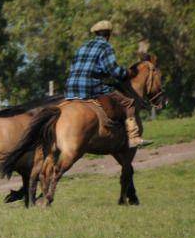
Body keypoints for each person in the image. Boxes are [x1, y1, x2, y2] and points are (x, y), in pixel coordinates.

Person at [65, 20, 151, 148]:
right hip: (90, 87)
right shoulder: (106, 47)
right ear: (108, 34)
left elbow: (75, 67)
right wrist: (128, 73)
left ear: (96, 33)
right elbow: (114, 70)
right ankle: (133, 138)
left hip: (70, 88)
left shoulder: (83, 46)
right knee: (128, 103)